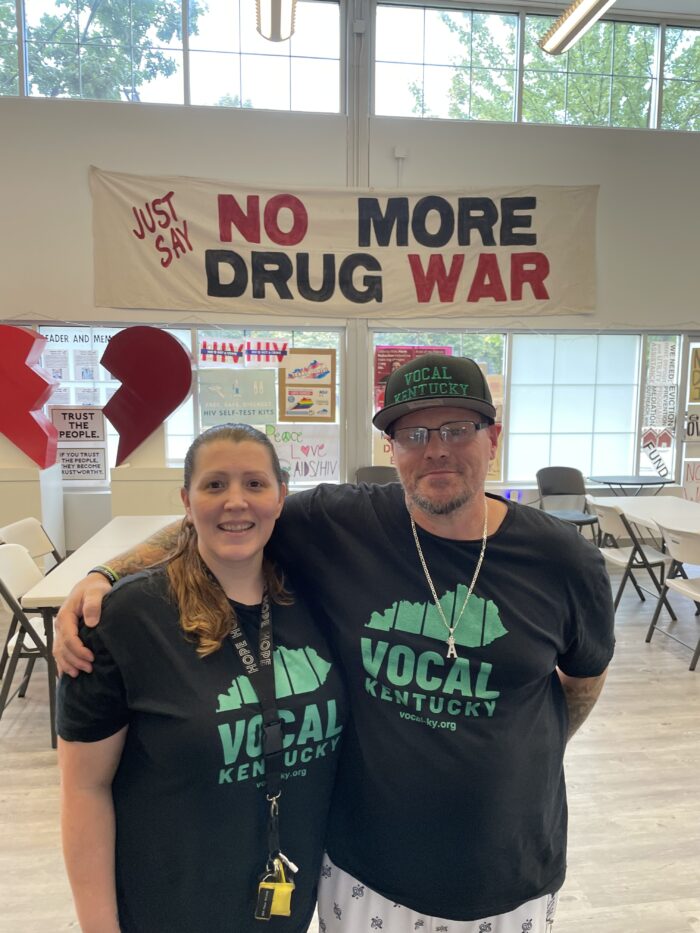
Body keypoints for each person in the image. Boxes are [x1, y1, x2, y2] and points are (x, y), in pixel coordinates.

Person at [56, 354, 614, 933]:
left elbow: (582, 682)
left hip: (511, 871)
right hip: (363, 871)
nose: (436, 449)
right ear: (390, 447)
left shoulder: (564, 561)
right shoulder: (342, 522)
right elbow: (227, 514)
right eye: (414, 433)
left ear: (492, 438)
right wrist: (104, 575)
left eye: (457, 429)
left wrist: (522, 751)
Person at [56, 423, 347, 933]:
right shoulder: (125, 620)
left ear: (282, 497)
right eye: (215, 485)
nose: (236, 501)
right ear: (186, 501)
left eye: (255, 484)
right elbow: (84, 788)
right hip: (169, 906)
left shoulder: (315, 595)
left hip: (285, 902)